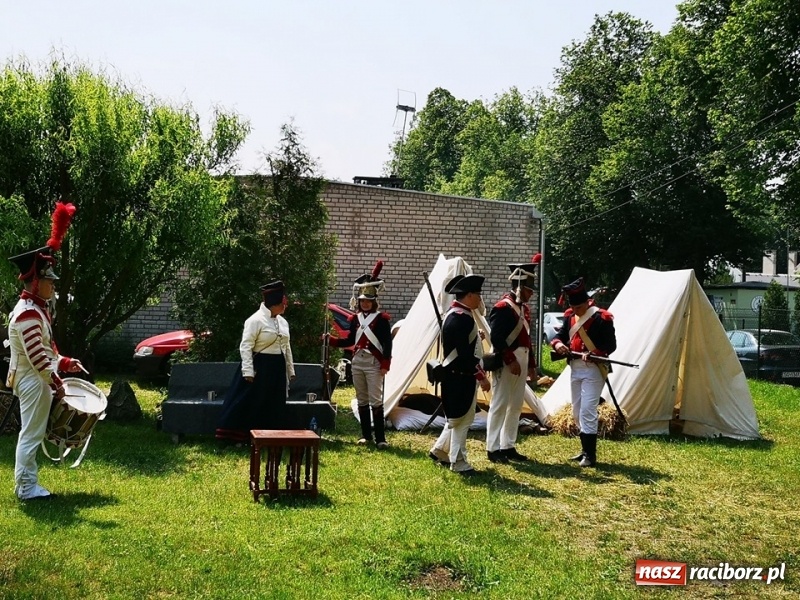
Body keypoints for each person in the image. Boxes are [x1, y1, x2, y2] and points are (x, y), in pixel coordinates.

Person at [8, 201, 84, 501]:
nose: (53, 286)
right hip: (33, 381)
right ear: (36, 281)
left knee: (33, 433)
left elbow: (46, 350)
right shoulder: (27, 313)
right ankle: (26, 487)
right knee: (31, 434)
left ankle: (26, 485)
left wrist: (63, 362)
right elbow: (38, 358)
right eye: (48, 281)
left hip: (36, 379)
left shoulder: (35, 310)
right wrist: (56, 382)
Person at [216, 280, 296, 443]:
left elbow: (286, 347)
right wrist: (248, 371)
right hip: (260, 366)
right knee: (253, 402)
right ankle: (243, 438)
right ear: (274, 303)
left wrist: (290, 370)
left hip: (277, 367)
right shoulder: (255, 320)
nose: (285, 306)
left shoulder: (283, 322)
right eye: (282, 303)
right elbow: (245, 346)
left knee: (274, 402)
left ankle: (271, 437)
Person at [429, 274, 491, 475]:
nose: (480, 299)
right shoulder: (461, 319)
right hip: (461, 375)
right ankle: (459, 461)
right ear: (470, 295)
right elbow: (464, 356)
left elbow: (461, 344)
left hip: (456, 375)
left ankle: (440, 450)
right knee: (462, 420)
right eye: (478, 295)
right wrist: (481, 376)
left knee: (457, 419)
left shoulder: (455, 315)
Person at [551, 277, 616, 467]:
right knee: (578, 410)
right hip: (575, 368)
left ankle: (590, 455)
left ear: (587, 302)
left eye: (579, 307)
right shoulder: (570, 316)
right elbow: (560, 336)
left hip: (594, 369)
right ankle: (584, 451)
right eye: (574, 307)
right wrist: (559, 344)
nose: (576, 311)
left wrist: (593, 353)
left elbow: (610, 345)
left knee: (588, 409)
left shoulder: (601, 318)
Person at [329, 261, 393, 448]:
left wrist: (385, 362)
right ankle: (366, 435)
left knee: (375, 400)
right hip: (357, 361)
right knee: (362, 399)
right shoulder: (355, 319)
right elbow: (350, 340)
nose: (364, 304)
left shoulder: (381, 320)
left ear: (374, 302)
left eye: (368, 301)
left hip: (374, 362)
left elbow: (387, 342)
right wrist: (332, 341)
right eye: (362, 301)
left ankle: (381, 438)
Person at [485, 255, 540, 463]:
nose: (530, 295)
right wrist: (510, 360)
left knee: (516, 405)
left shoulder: (524, 310)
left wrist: (531, 365)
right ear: (519, 287)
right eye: (528, 290)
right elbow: (497, 338)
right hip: (507, 361)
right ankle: (493, 447)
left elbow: (527, 340)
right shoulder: (502, 308)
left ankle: (508, 445)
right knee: (499, 404)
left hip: (522, 360)